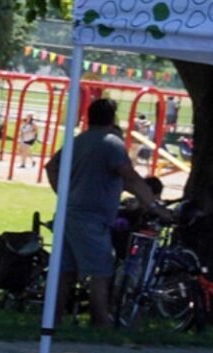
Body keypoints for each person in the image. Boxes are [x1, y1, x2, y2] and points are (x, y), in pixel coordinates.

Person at [50, 96, 161, 326]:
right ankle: (101, 322)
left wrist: (64, 194)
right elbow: (131, 177)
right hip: (92, 219)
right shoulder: (111, 143)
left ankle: (53, 320)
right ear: (112, 118)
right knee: (101, 272)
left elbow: (52, 167)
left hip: (68, 214)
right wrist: (154, 205)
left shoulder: (79, 140)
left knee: (65, 272)